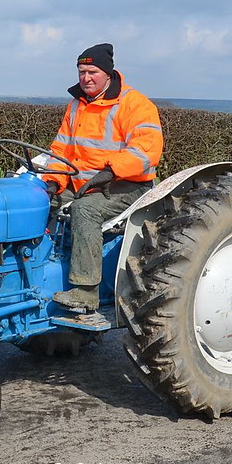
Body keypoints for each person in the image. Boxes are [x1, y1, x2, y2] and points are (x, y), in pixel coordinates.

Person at [43, 43, 163, 313]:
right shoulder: (77, 105)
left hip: (125, 185)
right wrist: (52, 181)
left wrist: (111, 171)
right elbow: (60, 148)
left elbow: (147, 150)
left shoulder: (135, 105)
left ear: (108, 73)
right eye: (81, 71)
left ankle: (85, 292)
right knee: (36, 200)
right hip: (82, 183)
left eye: (92, 71)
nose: (86, 78)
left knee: (84, 210)